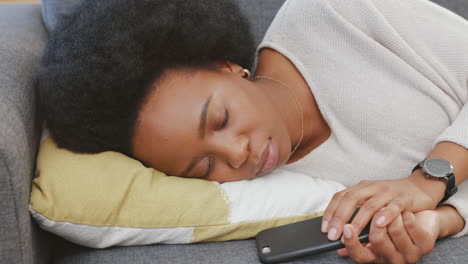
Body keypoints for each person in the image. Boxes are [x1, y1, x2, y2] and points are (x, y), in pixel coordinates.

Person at [39, 0, 467, 263]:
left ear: (227, 65)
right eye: (204, 165)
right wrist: (441, 221)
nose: (237, 153)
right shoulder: (289, 191)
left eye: (220, 118)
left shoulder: (335, 12)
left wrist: (428, 180)